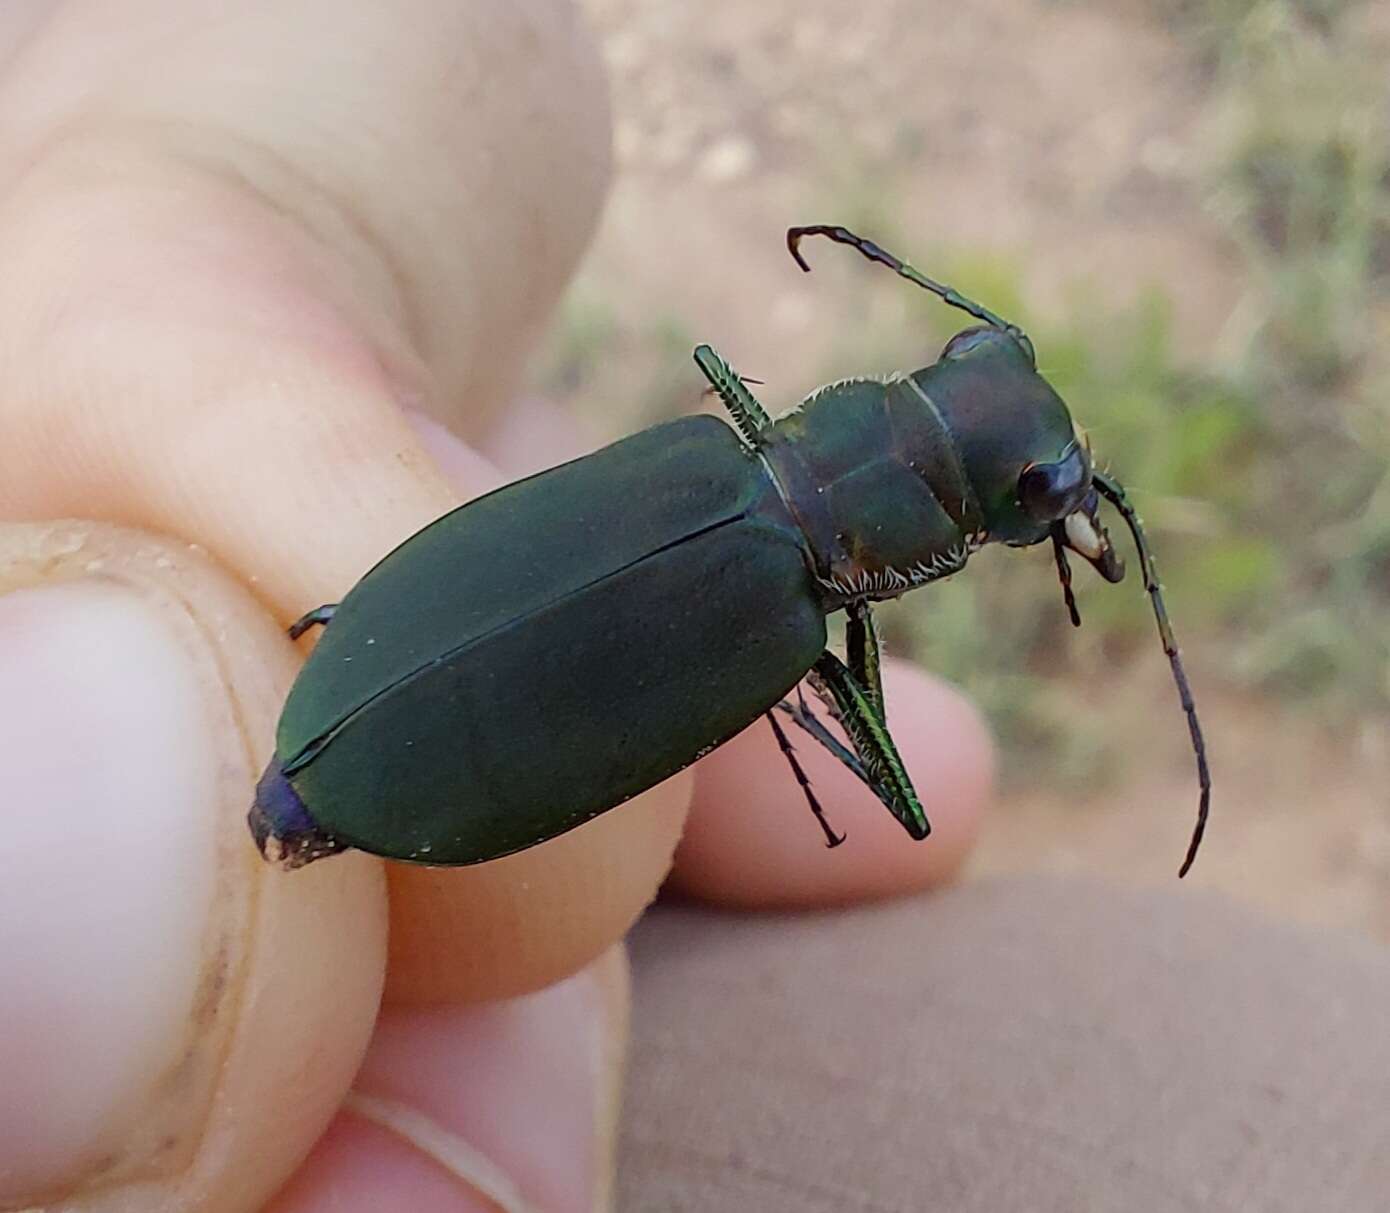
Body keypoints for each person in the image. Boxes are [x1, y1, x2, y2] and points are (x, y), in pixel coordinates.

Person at [1, 4, 1384, 1211]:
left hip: (380, 675)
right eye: (1034, 508)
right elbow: (888, 798)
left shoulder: (705, 445)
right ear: (951, 534)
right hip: (396, 729)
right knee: (895, 800)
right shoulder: (793, 633)